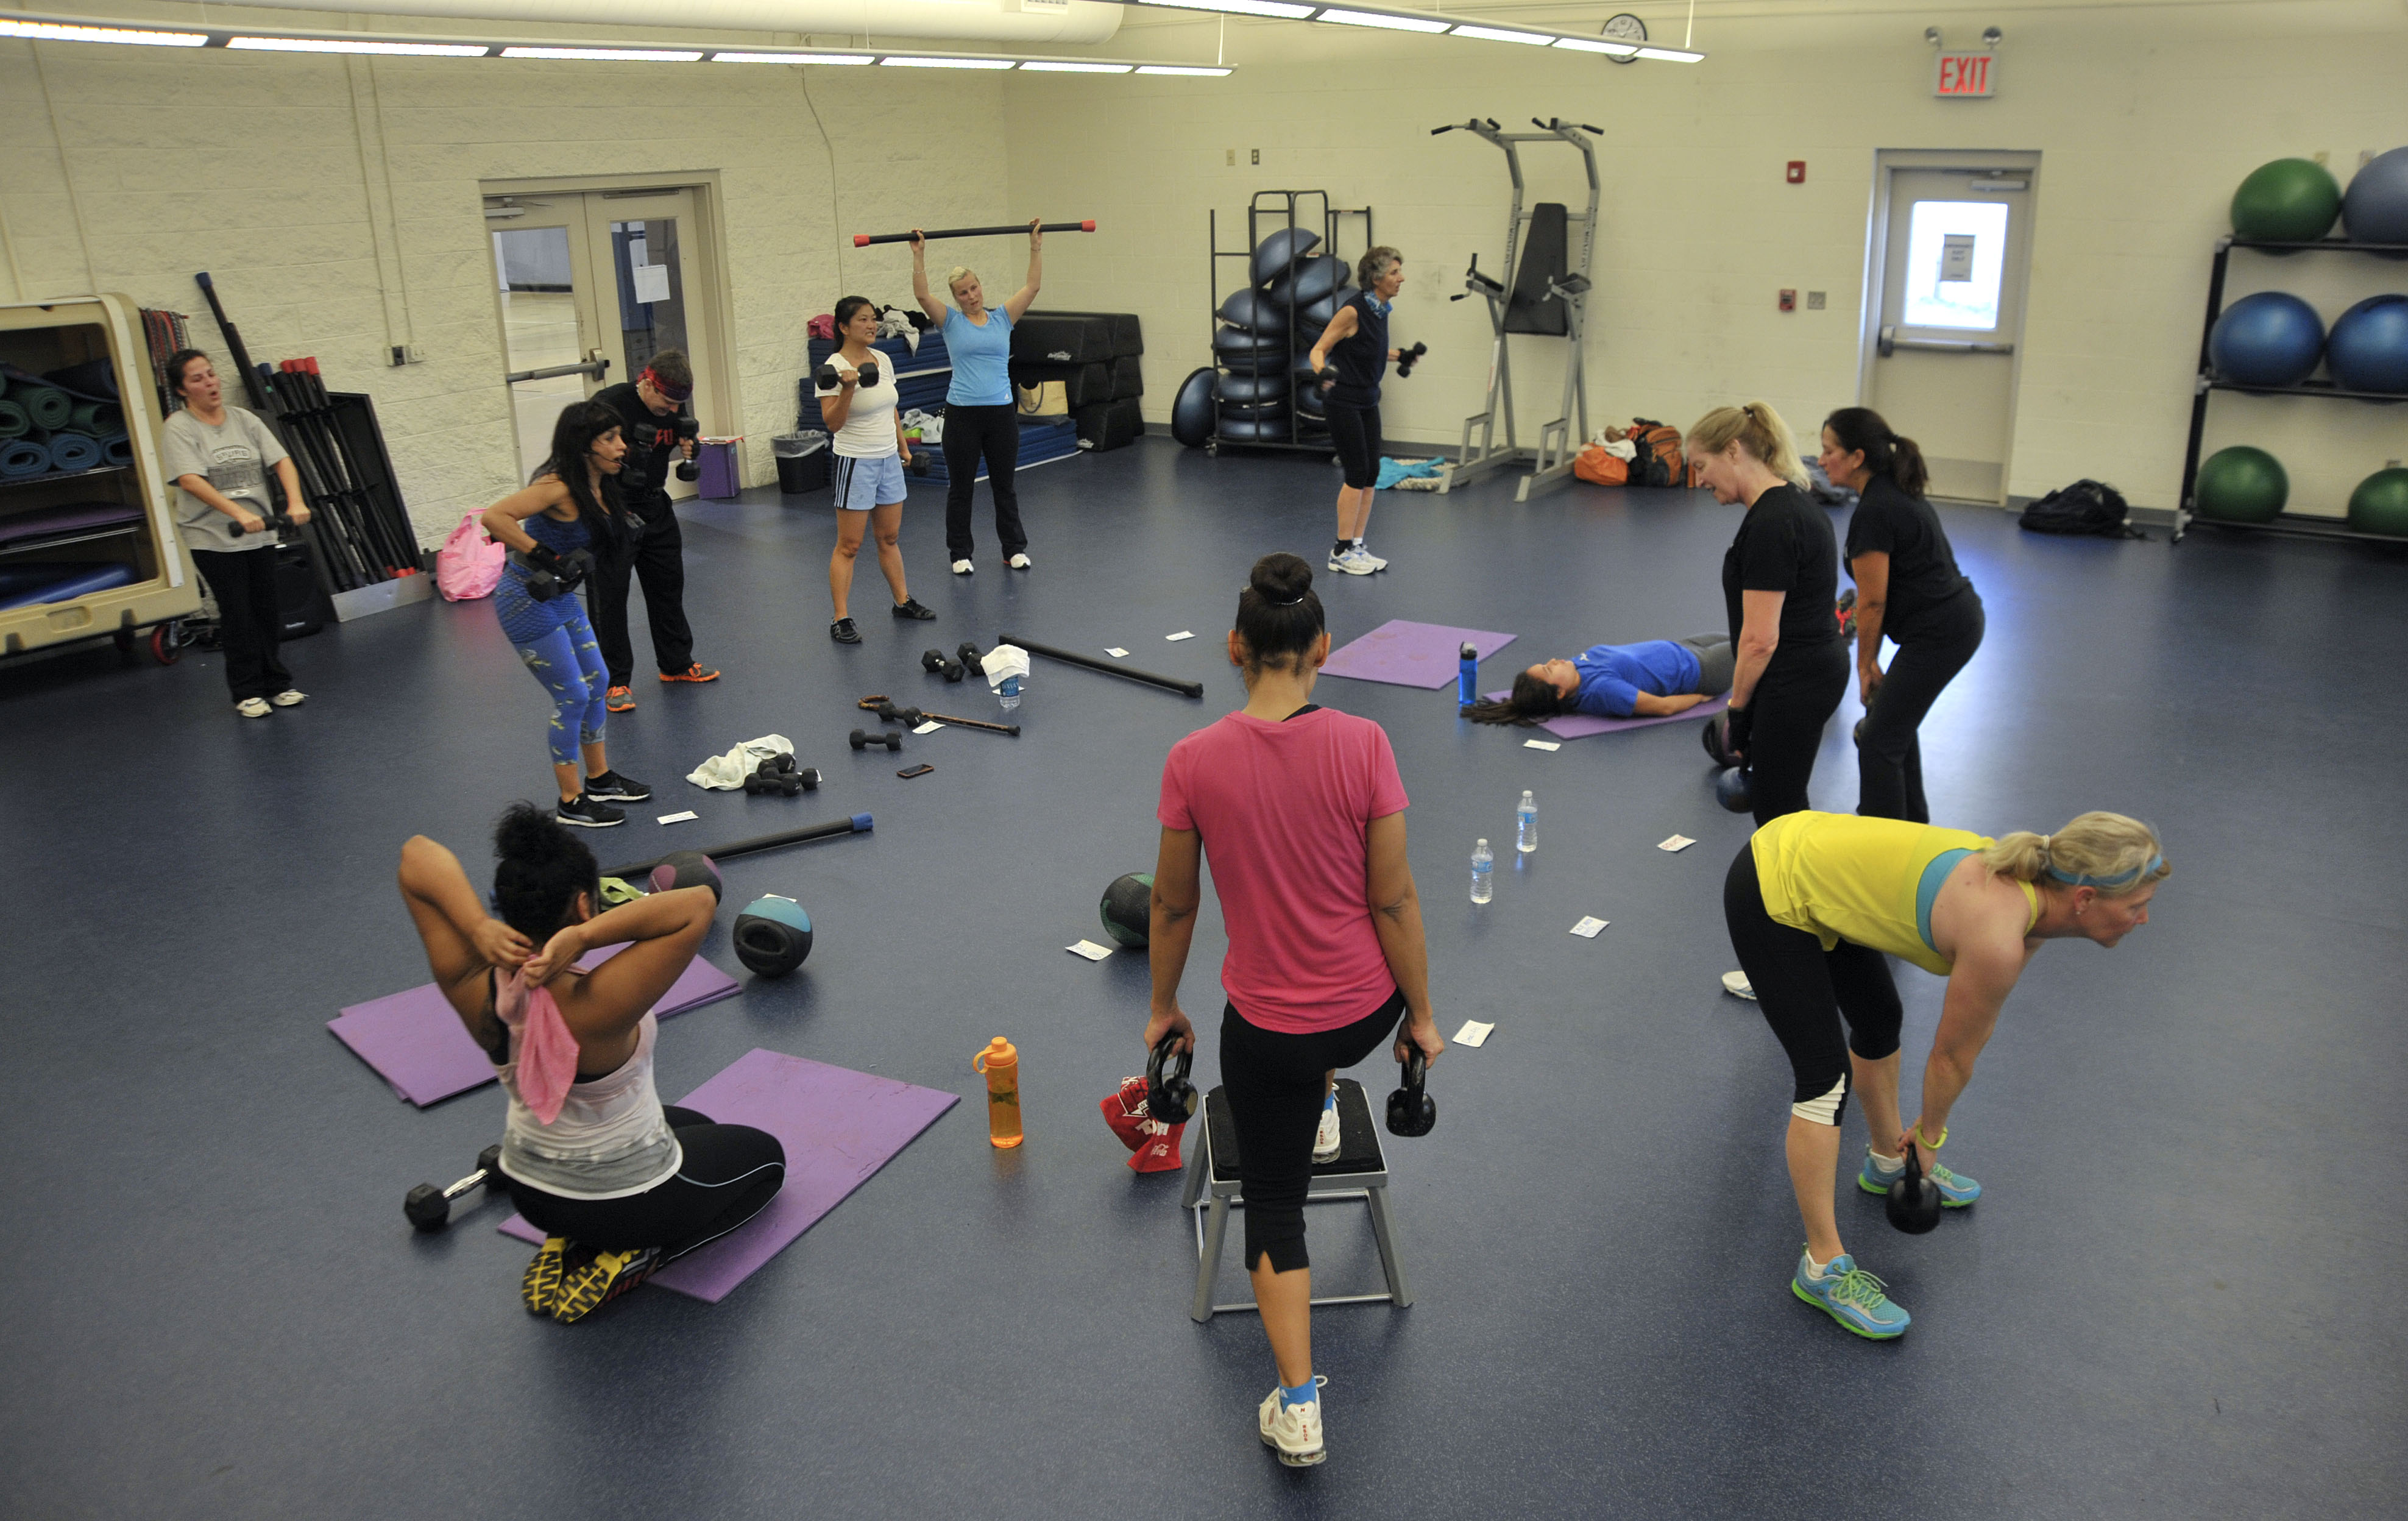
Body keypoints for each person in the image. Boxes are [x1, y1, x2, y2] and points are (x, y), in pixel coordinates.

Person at [1144, 551, 1445, 1469]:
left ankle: (1300, 1408)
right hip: (1362, 1016)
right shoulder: (1366, 745)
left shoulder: (1193, 760)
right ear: (1321, 648)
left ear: (1236, 647)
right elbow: (1393, 902)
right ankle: (1323, 1106)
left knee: (1275, 1209)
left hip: (1267, 1031)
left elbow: (1172, 905)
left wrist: (1163, 1008)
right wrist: (1422, 1018)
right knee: (1331, 1007)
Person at [1723, 808, 2165, 1339]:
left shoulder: (2033, 910)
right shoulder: (1999, 930)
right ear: (2085, 899)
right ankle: (1822, 1268)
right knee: (1824, 1079)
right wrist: (1930, 1137)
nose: (2143, 920)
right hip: (1773, 883)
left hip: (1816, 870)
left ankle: (1890, 1160)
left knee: (1880, 1019)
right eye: (2137, 906)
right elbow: (1951, 1057)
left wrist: (1919, 1144)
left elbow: (1972, 1034)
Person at [397, 805, 786, 1322]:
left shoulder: (472, 982)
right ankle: (644, 1253)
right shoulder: (600, 1001)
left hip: (530, 1194)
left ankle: (570, 1241)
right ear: (585, 903)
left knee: (698, 1126)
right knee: (768, 1161)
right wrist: (583, 938)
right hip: (625, 1203)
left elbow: (415, 856)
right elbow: (696, 903)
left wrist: (476, 930)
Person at [478, 401, 650, 829]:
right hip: (524, 600)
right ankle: (571, 802)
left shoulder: (601, 485)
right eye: (609, 439)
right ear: (582, 445)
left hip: (560, 598)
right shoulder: (557, 486)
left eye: (620, 436)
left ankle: (599, 779)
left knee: (598, 681)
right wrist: (543, 554)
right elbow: (494, 517)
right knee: (572, 694)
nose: (620, 446)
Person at [1818, 408, 1985, 823]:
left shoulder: (1876, 510)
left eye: (1828, 451)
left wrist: (1866, 664)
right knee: (1891, 729)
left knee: (1877, 742)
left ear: (1857, 457)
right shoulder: (1891, 492)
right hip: (1949, 624)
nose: (1821, 460)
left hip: (1942, 634)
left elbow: (1872, 603)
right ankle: (1913, 831)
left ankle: (1885, 849)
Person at [1688, 402, 1847, 826]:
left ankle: (1798, 892)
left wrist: (1738, 710)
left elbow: (1760, 640)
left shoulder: (1772, 524)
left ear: (1734, 451)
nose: (1698, 479)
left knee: (1779, 813)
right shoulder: (1791, 504)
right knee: (1784, 800)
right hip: (1810, 673)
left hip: (1795, 681)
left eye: (1702, 465)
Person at [159, 349, 311, 718]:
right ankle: (246, 691)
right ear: (182, 390)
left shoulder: (245, 420)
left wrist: (295, 502)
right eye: (197, 379)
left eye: (211, 374)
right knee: (238, 612)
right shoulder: (179, 427)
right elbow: (190, 479)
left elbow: (281, 461)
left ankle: (277, 684)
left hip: (257, 533)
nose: (210, 383)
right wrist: (238, 512)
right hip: (212, 537)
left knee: (266, 609)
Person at [912, 220, 1043, 576]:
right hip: (963, 416)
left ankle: (1013, 549)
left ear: (980, 287)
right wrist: (919, 255)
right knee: (961, 489)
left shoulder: (1003, 317)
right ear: (955, 298)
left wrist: (1035, 245)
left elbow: (1032, 286)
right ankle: (960, 553)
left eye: (973, 288)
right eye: (962, 293)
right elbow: (923, 296)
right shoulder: (951, 322)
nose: (971, 296)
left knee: (1005, 487)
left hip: (1000, 414)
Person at [589, 350, 717, 712]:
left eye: (679, 404)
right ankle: (613, 682)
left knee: (667, 585)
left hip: (655, 504)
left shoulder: (674, 405)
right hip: (611, 506)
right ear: (647, 382)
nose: (672, 410)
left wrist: (689, 445)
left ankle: (676, 664)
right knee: (610, 596)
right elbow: (583, 453)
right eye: (665, 402)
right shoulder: (611, 404)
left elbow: (681, 433)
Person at [818, 296, 932, 644]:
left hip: (888, 461)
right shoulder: (832, 368)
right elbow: (832, 424)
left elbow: (891, 409)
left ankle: (902, 601)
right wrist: (849, 389)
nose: (872, 326)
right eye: (863, 320)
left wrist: (903, 449)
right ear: (843, 327)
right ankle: (841, 618)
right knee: (849, 546)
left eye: (873, 320)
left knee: (889, 538)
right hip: (856, 462)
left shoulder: (882, 359)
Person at [1305, 247, 1408, 576]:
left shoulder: (1381, 311)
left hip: (1367, 399)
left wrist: (1400, 355)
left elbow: (1370, 348)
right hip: (1343, 401)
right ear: (1376, 278)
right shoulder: (1352, 311)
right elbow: (1319, 349)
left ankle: (1357, 545)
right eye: (1394, 272)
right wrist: (1322, 372)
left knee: (1372, 473)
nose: (1401, 278)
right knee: (1356, 472)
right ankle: (1340, 550)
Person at [1464, 634, 1734, 725]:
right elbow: (1662, 707)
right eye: (1549, 669)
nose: (1554, 660)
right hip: (1702, 670)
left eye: (1546, 663)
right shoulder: (1602, 691)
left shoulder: (1572, 672)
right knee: (1766, 641)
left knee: (1749, 628)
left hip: (1685, 646)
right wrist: (1700, 698)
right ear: (1559, 693)